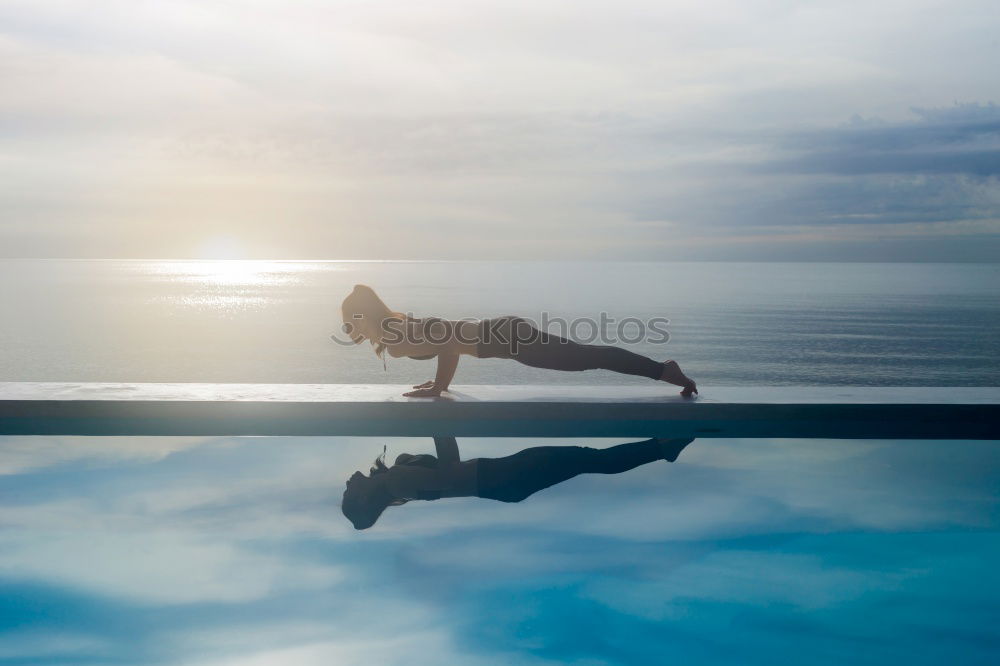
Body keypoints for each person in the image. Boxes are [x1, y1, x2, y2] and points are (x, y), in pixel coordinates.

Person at [339, 284, 697, 398]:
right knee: (588, 356)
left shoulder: (395, 335)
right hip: (504, 336)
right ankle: (661, 370)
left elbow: (447, 345)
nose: (350, 331)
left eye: (349, 322)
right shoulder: (395, 330)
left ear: (363, 317)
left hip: (507, 338)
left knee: (590, 357)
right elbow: (443, 342)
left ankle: (663, 370)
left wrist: (439, 388)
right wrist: (438, 382)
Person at [341, 436, 695, 530]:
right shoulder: (398, 485)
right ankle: (664, 447)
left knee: (588, 459)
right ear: (362, 499)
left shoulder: (395, 482)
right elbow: (449, 469)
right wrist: (440, 422)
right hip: (505, 478)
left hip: (504, 482)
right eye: (348, 492)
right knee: (589, 458)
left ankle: (662, 446)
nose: (347, 483)